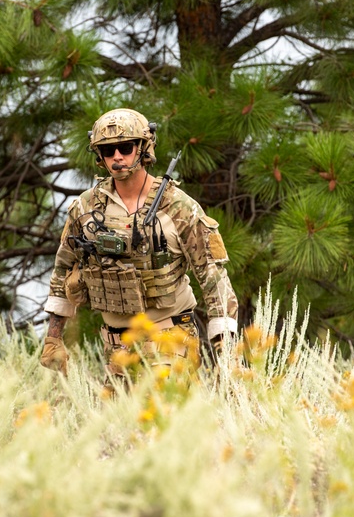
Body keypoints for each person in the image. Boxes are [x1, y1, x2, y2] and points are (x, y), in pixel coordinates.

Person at [39, 108, 239, 377]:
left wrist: (226, 351)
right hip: (115, 347)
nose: (117, 156)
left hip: (169, 340)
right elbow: (63, 269)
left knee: (160, 415)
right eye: (108, 150)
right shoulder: (86, 207)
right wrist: (54, 338)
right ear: (100, 155)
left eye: (125, 147)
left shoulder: (178, 207)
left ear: (143, 148)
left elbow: (213, 277)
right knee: (120, 418)